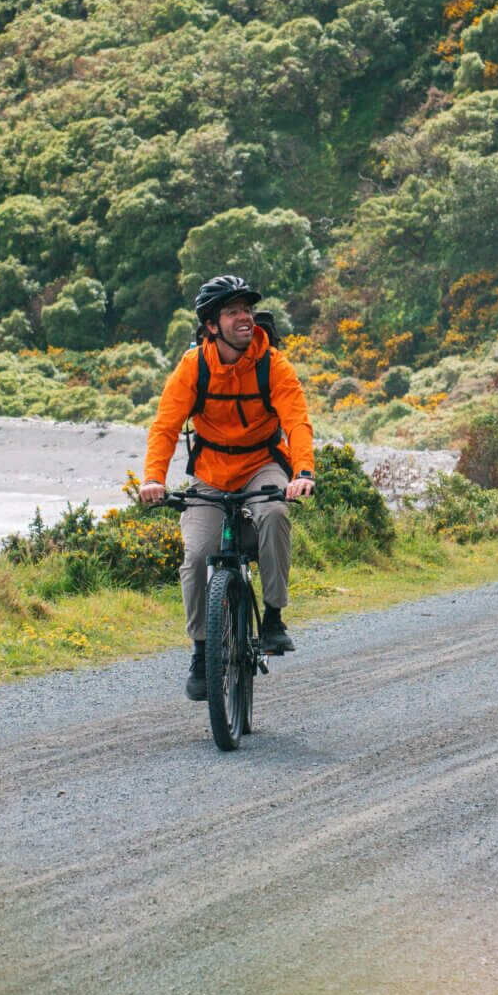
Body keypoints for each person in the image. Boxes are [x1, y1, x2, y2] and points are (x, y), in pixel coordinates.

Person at [140, 274, 317, 700]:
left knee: (274, 514)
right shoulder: (193, 366)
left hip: (262, 463)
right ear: (211, 325)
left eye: (248, 310)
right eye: (233, 312)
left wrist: (303, 473)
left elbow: (296, 421)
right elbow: (165, 426)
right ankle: (202, 651)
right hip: (211, 473)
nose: (245, 318)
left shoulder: (273, 363)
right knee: (197, 554)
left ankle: (273, 617)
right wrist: (153, 479)